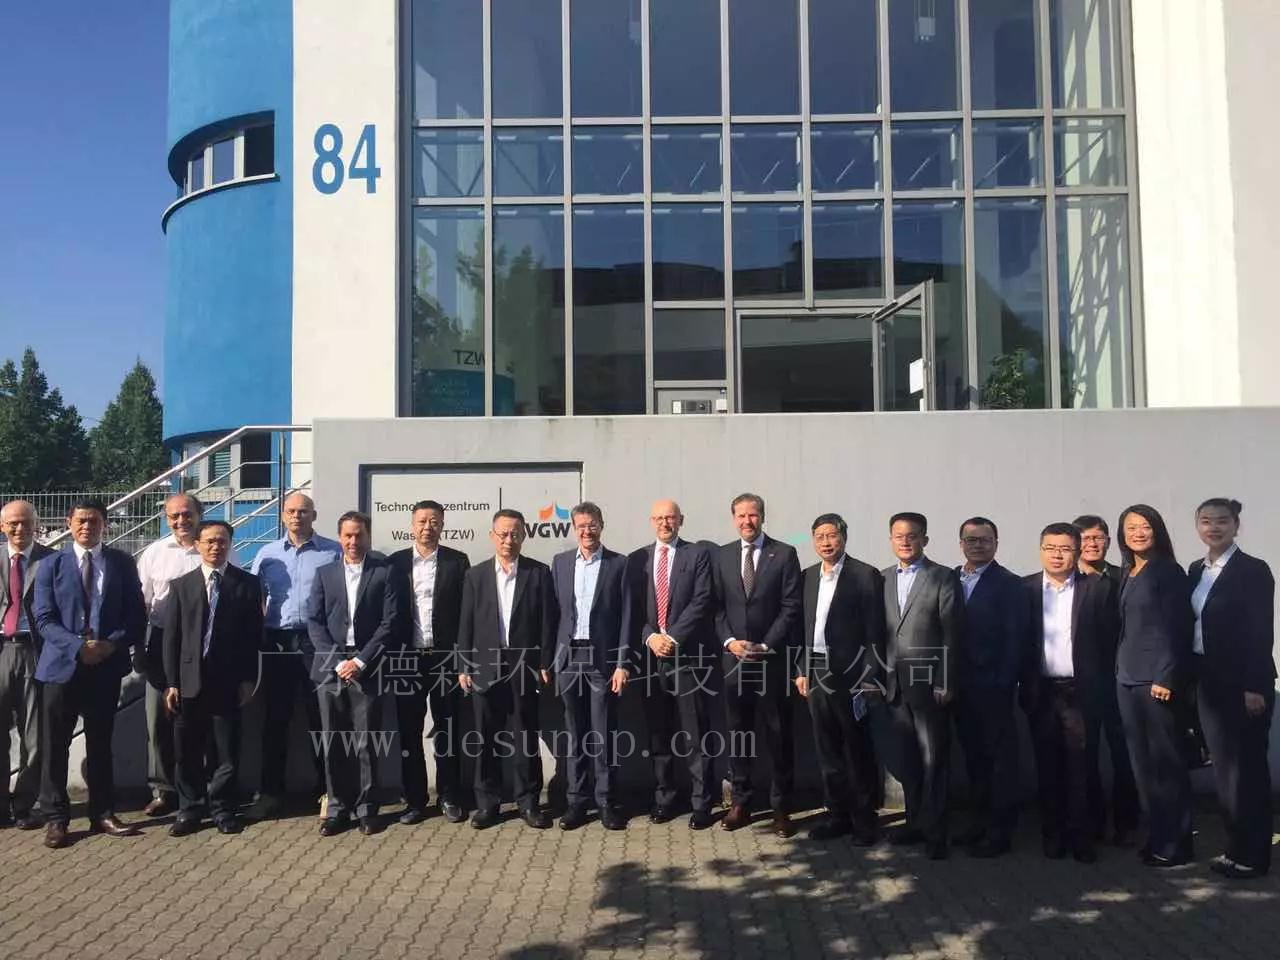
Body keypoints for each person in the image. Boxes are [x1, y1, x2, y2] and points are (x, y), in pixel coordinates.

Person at [34, 498, 146, 849]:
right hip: (61, 668)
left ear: (105, 525)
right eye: (81, 520)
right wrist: (77, 646)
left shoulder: (122, 563)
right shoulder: (51, 565)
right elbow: (43, 618)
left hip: (105, 668)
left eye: (94, 520)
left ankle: (103, 812)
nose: (87, 526)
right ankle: (56, 818)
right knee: (55, 745)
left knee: (100, 742)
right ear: (69, 523)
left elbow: (135, 616)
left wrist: (110, 645)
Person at [1188, 498, 1276, 879]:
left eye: (1222, 521)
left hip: (1243, 685)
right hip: (1209, 684)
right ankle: (1234, 847)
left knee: (1248, 771)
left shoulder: (1253, 570)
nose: (1214, 528)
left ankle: (1254, 856)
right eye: (1206, 521)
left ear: (1236, 525)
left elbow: (1260, 632)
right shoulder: (1196, 569)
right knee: (1224, 771)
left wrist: (1254, 685)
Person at [1022, 523, 1120, 863]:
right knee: (1047, 767)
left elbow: (1111, 642)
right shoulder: (1025, 589)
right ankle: (1053, 835)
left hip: (1081, 693)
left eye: (1065, 548)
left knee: (1082, 767)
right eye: (1050, 548)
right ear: (1041, 550)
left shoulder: (1097, 589)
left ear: (1077, 552)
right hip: (1042, 692)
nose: (1057, 555)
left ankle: (1082, 837)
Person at [162, 521, 263, 836]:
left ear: (230, 544)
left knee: (226, 751)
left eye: (221, 541)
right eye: (209, 541)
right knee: (187, 750)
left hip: (228, 681)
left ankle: (222, 809)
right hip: (189, 681)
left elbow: (252, 638)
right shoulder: (181, 585)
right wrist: (172, 682)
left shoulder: (247, 584)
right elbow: (171, 638)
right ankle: (190, 809)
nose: (215, 547)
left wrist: (248, 679)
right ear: (197, 544)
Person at [456, 509, 555, 831]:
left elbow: (547, 622)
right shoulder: (476, 575)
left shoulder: (538, 573)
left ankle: (528, 802)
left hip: (524, 666)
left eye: (515, 534)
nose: (508, 540)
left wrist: (544, 662)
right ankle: (488, 804)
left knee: (525, 736)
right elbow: (466, 622)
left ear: (523, 536)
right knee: (485, 738)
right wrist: (463, 665)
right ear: (492, 536)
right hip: (484, 666)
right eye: (502, 534)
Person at [307, 511, 404, 836]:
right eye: (347, 535)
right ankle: (337, 809)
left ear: (368, 536)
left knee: (366, 743)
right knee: (333, 742)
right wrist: (338, 661)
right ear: (339, 537)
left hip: (368, 667)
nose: (353, 541)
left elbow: (390, 621)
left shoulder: (384, 573)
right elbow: (314, 622)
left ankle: (367, 809)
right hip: (331, 669)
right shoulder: (324, 574)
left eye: (359, 535)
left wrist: (360, 661)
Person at [712, 493, 803, 838]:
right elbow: (716, 608)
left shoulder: (784, 554)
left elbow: (791, 607)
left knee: (778, 735)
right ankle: (741, 803)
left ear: (763, 517)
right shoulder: (722, 556)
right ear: (733, 518)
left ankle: (782, 808)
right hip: (734, 661)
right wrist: (729, 642)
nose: (747, 521)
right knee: (739, 734)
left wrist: (765, 644)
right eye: (741, 515)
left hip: (772, 661)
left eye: (753, 515)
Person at [248, 493, 341, 820]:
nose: (297, 516)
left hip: (318, 642)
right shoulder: (267, 554)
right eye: (291, 511)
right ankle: (271, 794)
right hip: (278, 642)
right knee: (275, 719)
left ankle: (328, 791)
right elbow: (254, 597)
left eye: (303, 511)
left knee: (322, 719)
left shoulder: (333, 551)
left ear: (314, 515)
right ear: (283, 515)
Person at [794, 513, 884, 844]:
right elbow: (801, 628)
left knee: (856, 747)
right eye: (820, 537)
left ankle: (864, 820)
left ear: (844, 537)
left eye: (832, 535)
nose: (826, 542)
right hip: (816, 670)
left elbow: (875, 631)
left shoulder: (864, 575)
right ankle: (837, 815)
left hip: (851, 672)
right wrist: (801, 669)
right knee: (827, 747)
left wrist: (870, 676)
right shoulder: (807, 577)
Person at [629, 499, 716, 831]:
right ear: (651, 521)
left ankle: (702, 803)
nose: (665, 523)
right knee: (658, 734)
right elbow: (632, 608)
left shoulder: (697, 555)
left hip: (688, 658)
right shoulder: (638, 559)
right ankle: (664, 799)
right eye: (659, 518)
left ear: (681, 520)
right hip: (652, 661)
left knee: (696, 735)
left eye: (671, 517)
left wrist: (673, 637)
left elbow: (702, 600)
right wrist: (651, 637)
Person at [1115, 504, 1194, 867]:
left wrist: (1167, 675)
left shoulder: (1169, 571)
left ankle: (1176, 843)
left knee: (1167, 765)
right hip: (1127, 679)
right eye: (1131, 527)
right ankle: (1157, 836)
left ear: (1157, 530)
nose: (1138, 533)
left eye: (1145, 526)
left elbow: (1179, 628)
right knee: (1142, 766)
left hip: (1155, 682)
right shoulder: (1128, 571)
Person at [548, 502, 635, 831]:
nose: (587, 531)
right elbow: (554, 615)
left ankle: (606, 802)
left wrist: (622, 663)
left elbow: (627, 617)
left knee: (603, 735)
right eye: (581, 525)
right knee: (574, 734)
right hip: (569, 659)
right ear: (573, 528)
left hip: (603, 661)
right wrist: (549, 661)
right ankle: (576, 803)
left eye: (592, 524)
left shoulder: (619, 564)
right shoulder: (560, 563)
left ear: (601, 525)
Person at [881, 511, 963, 860]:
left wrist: (945, 680)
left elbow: (952, 634)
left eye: (912, 535)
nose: (905, 541)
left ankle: (936, 832)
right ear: (890, 540)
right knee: (908, 761)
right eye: (898, 535)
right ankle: (914, 823)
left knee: (934, 760)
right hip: (893, 686)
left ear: (924, 539)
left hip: (929, 686)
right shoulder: (883, 578)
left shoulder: (942, 577)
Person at [388, 499, 470, 825]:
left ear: (442, 525)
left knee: (447, 729)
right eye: (422, 521)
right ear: (412, 525)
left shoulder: (457, 561)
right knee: (409, 731)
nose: (428, 527)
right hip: (406, 658)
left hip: (445, 658)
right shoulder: (394, 563)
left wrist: (463, 660)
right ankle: (415, 800)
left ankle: (449, 795)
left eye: (434, 521)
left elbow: (466, 615)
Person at [952, 517, 1028, 858]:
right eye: (971, 540)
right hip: (959, 687)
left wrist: (1004, 683)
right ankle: (977, 823)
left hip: (993, 688)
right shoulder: (951, 579)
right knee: (973, 759)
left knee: (1000, 762)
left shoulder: (1010, 584)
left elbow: (1015, 639)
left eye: (984, 540)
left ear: (996, 543)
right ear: (961, 544)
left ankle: (1001, 831)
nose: (977, 545)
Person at [134, 493, 213, 818]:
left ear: (199, 514)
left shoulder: (213, 546)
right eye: (174, 516)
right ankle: (163, 790)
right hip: (160, 642)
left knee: (202, 718)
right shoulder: (154, 553)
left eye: (187, 514)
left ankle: (205, 789)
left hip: (203, 644)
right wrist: (138, 648)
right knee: (158, 720)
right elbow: (141, 604)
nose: (181, 521)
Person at [1073, 513, 1140, 846]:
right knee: (1085, 758)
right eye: (1085, 538)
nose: (1092, 544)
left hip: (1118, 682)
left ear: (1109, 542)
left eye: (1098, 538)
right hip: (1079, 686)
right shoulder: (1066, 580)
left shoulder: (1124, 577)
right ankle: (1092, 822)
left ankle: (1127, 823)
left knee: (1124, 756)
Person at [0, 500, 53, 830]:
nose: (20, 529)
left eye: (26, 522)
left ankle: (23, 806)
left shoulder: (52, 560)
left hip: (36, 652)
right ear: (2, 526)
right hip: (1, 650)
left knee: (35, 738)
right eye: (13, 523)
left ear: (36, 524)